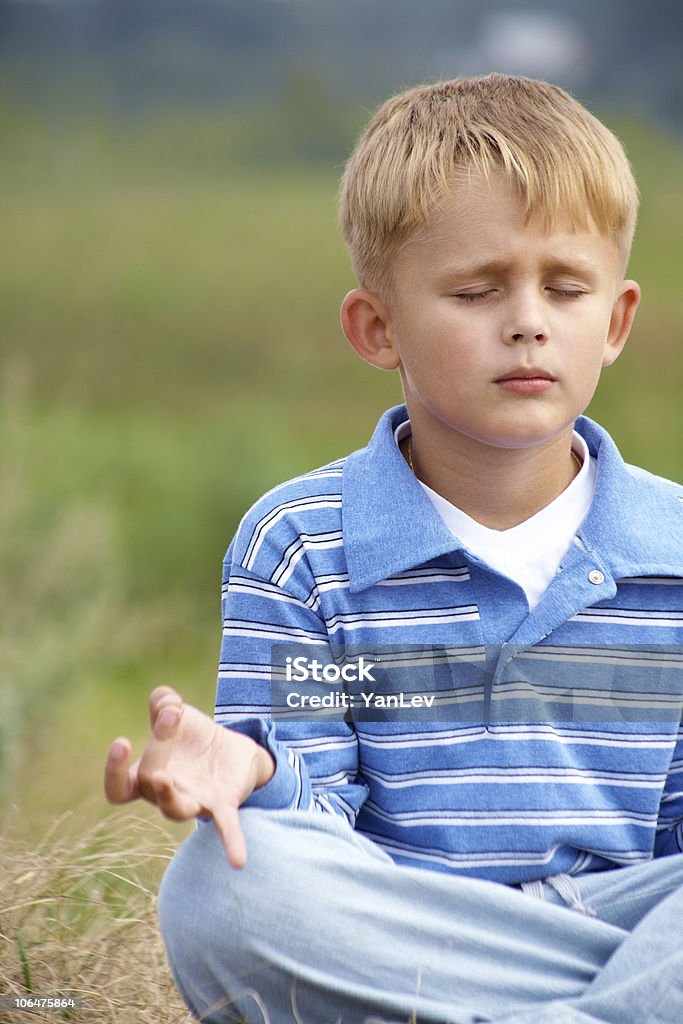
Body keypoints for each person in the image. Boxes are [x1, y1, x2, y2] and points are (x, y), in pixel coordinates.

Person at [104, 74, 683, 1024]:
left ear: (613, 321)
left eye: (564, 287)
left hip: (625, 925)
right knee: (220, 887)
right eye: (476, 289)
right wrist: (258, 773)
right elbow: (316, 829)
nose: (528, 319)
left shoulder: (673, 554)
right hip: (405, 931)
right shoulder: (299, 545)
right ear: (378, 328)